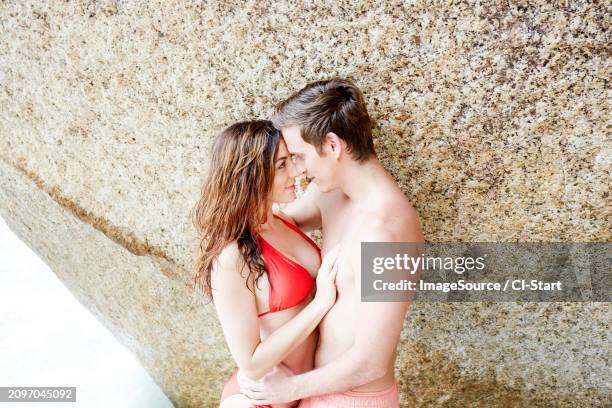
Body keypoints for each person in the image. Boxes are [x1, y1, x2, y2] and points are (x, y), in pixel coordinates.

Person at [238, 78, 425, 407]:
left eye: (298, 157)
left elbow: (372, 362)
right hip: (310, 387)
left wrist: (287, 390)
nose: (297, 171)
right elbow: (275, 226)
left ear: (332, 146)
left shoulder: (388, 234)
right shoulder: (332, 194)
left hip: (353, 399)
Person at [191, 120, 340, 408]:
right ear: (252, 176)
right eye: (282, 165)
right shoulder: (232, 257)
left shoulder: (283, 220)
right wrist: (320, 304)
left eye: (292, 161)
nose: (295, 172)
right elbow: (251, 364)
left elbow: (331, 188)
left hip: (301, 390)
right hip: (259, 402)